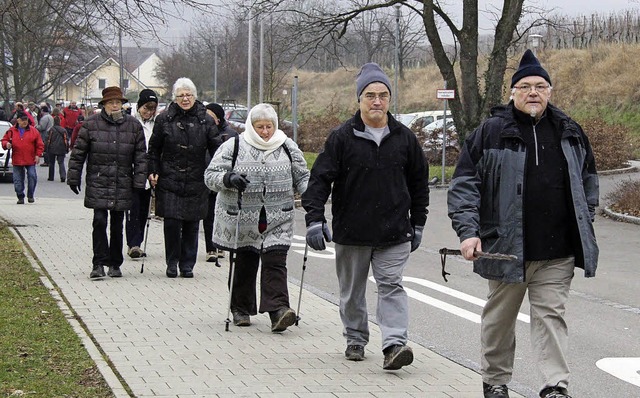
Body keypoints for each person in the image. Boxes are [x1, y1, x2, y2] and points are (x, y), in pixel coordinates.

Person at [447, 50, 599, 398]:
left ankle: (555, 386)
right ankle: (496, 381)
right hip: (505, 250)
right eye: (525, 86)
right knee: (499, 321)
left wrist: (584, 219)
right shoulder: (491, 132)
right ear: (513, 92)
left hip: (556, 252)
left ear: (550, 91)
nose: (533, 92)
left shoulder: (569, 131)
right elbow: (465, 185)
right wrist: (468, 232)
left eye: (540, 86)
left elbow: (588, 180)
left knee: (551, 318)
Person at [301, 63, 429, 369]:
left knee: (391, 286)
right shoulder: (342, 138)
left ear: (389, 99)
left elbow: (419, 183)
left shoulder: (404, 138)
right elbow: (319, 180)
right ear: (359, 99)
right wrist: (314, 220)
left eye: (383, 95)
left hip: (394, 231)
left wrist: (419, 222)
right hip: (352, 231)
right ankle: (356, 337)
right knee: (352, 292)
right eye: (370, 95)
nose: (377, 101)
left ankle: (394, 344)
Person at [204, 103, 310, 332]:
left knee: (275, 261)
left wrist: (311, 198)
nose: (265, 131)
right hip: (242, 216)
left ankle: (279, 310)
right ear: (251, 127)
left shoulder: (287, 147)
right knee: (245, 262)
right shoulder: (233, 146)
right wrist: (229, 179)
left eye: (269, 126)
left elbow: (303, 176)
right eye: (260, 127)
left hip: (278, 217)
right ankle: (241, 309)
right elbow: (210, 176)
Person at [67, 86, 148, 279]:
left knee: (117, 224)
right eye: (111, 102)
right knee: (99, 221)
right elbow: (78, 153)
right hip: (99, 181)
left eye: (118, 102)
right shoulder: (91, 124)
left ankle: (115, 263)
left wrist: (139, 182)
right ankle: (98, 263)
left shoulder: (133, 126)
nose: (114, 105)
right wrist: (73, 176)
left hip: (122, 182)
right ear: (104, 105)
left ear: (122, 105)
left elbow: (141, 157)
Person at [147, 78, 220, 279]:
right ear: (175, 98)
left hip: (197, 178)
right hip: (170, 177)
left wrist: (219, 172)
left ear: (195, 97)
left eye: (188, 95)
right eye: (181, 95)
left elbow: (217, 149)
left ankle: (187, 264)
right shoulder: (164, 119)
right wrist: (152, 169)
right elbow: (154, 149)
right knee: (171, 223)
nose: (185, 99)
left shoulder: (206, 120)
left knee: (191, 224)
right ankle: (172, 262)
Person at [203, 102, 238, 263]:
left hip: (226, 179)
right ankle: (211, 248)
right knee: (208, 214)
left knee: (224, 214)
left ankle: (223, 245)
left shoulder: (230, 134)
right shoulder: (203, 130)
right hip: (208, 177)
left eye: (211, 116)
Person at [125, 89, 158, 259]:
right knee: (133, 209)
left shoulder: (156, 124)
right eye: (146, 108)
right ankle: (133, 243)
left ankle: (139, 241)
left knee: (144, 210)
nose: (148, 112)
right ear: (139, 106)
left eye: (152, 109)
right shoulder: (130, 122)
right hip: (132, 171)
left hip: (149, 173)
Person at [1, 111, 44, 204]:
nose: (25, 122)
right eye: (23, 120)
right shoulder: (11, 131)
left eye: (26, 120)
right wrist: (6, 144)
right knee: (17, 179)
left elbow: (40, 144)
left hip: (30, 158)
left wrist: (38, 155)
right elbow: (4, 140)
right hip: (17, 159)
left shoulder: (34, 131)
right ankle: (20, 196)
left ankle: (30, 195)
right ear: (18, 120)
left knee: (32, 176)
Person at [45, 116, 68, 182]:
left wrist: (46, 147)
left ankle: (51, 177)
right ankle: (63, 176)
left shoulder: (51, 130)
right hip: (61, 148)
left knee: (51, 163)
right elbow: (66, 140)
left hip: (52, 148)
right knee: (61, 163)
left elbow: (47, 139)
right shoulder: (63, 130)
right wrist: (66, 149)